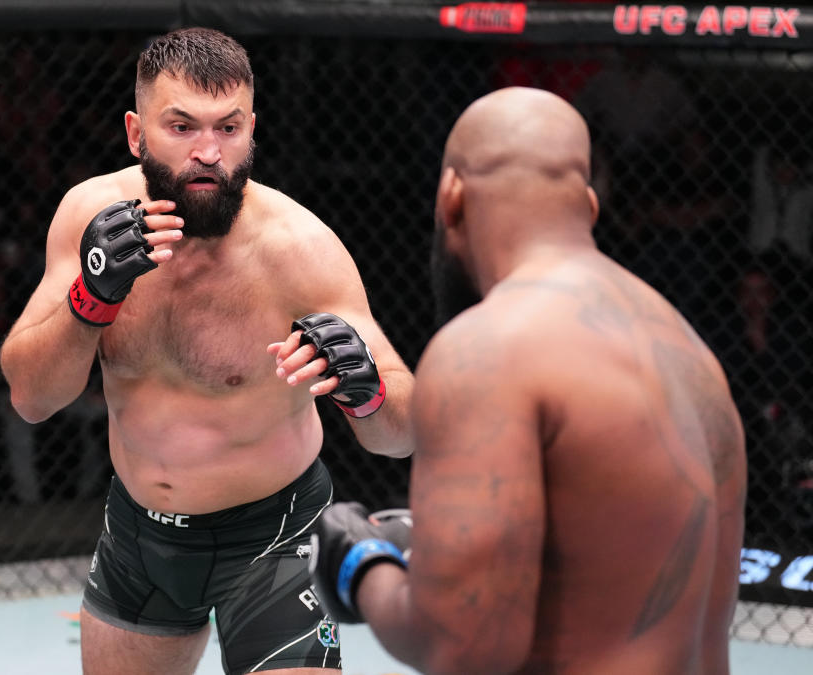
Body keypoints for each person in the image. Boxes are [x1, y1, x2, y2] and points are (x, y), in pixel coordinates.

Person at [0, 27, 413, 675]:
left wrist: (371, 389)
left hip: (275, 541)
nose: (208, 152)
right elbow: (30, 396)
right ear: (137, 134)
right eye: (183, 127)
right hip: (139, 537)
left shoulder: (298, 248)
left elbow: (401, 434)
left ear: (252, 129)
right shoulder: (89, 215)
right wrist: (91, 296)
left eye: (228, 128)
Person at [310, 87, 747, 674]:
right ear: (588, 206)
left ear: (452, 196)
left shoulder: (488, 347)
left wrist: (358, 562)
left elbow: (462, 646)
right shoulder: (693, 356)